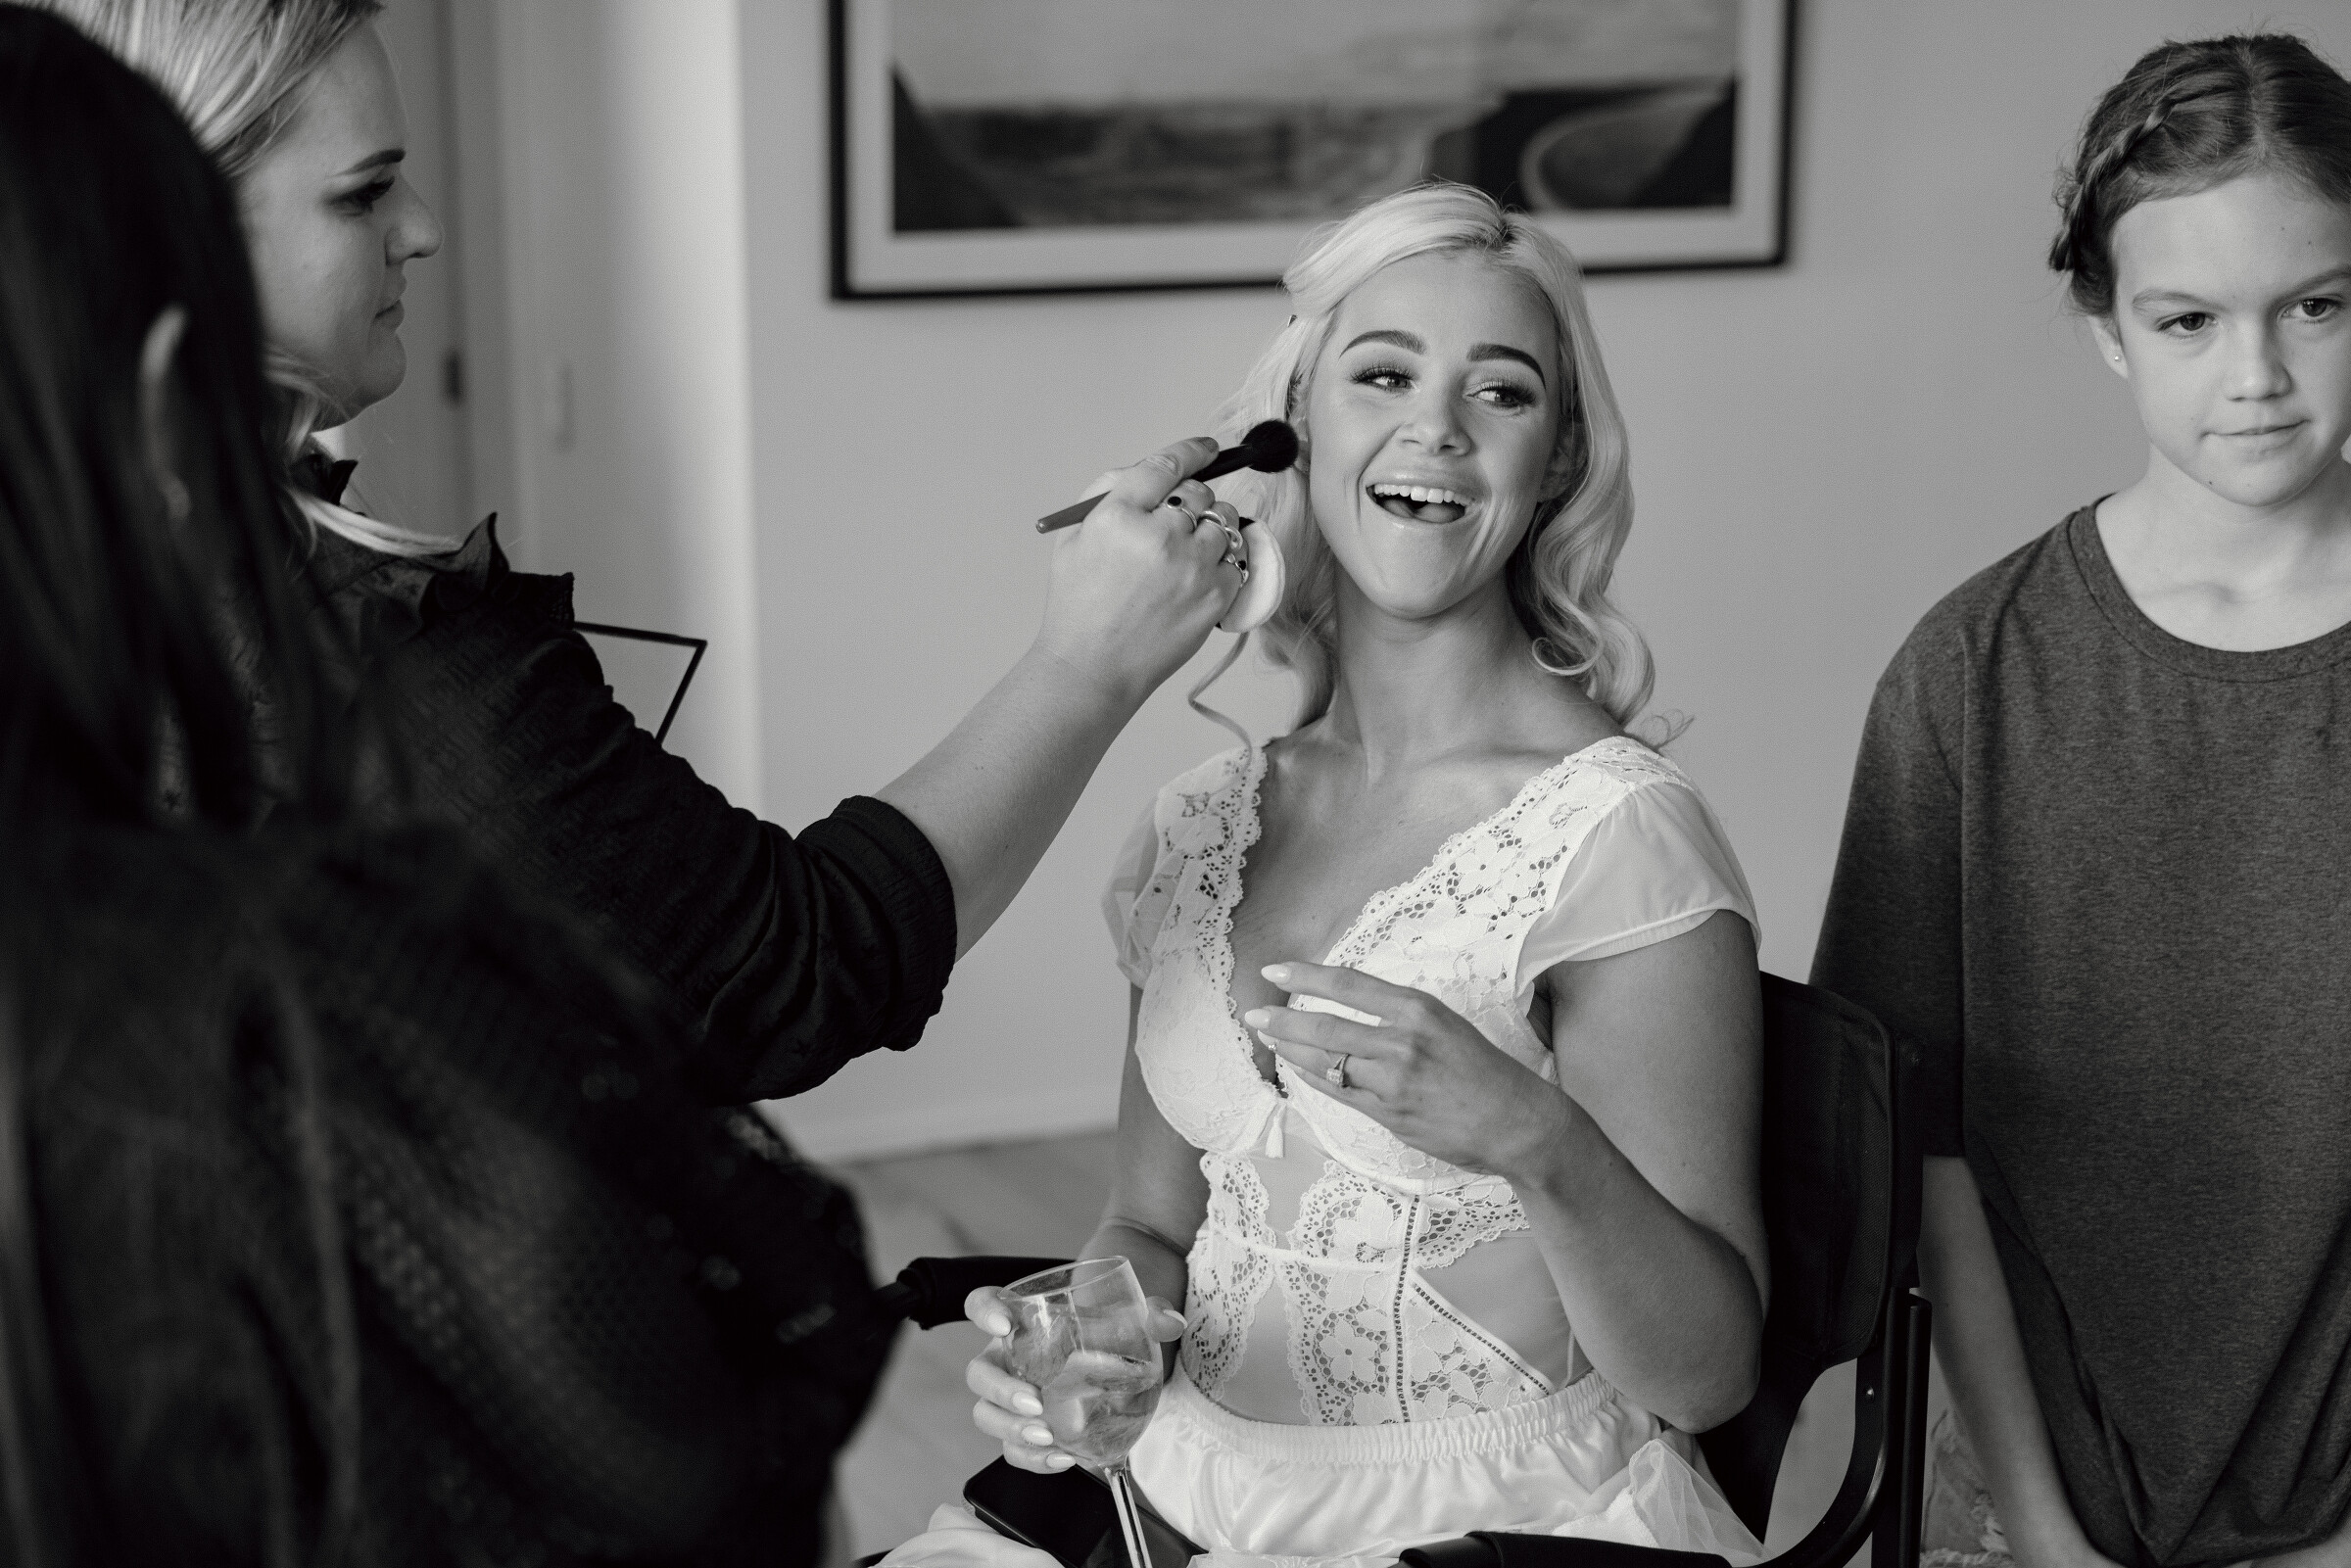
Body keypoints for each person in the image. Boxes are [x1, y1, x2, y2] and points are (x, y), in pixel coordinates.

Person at [0, 10, 881, 1562]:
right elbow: (692, 1447)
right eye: (362, 191)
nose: (420, 230)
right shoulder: (303, 959)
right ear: (164, 361)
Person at [36, 0, 1248, 1104]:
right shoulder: (377, 657)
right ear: (166, 237)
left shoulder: (61, 571)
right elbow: (794, 971)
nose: (422, 228)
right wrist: (1084, 664)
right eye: (362, 195)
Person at [939, 184, 1768, 1567]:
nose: (1436, 427)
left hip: (1490, 1529)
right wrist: (1095, 1338)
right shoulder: (1200, 821)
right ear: (1298, 427)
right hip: (1175, 1499)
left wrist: (1534, 1136)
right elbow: (1149, 1220)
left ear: (1557, 459)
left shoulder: (1620, 835)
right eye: (1382, 374)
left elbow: (1707, 1376)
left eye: (1501, 391)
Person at [1812, 32, 2351, 1568]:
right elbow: (1918, 1152)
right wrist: (2045, 1537)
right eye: (2189, 320)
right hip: (2024, 1493)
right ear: (2108, 328)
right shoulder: (1970, 674)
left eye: (2318, 305)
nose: (2257, 375)